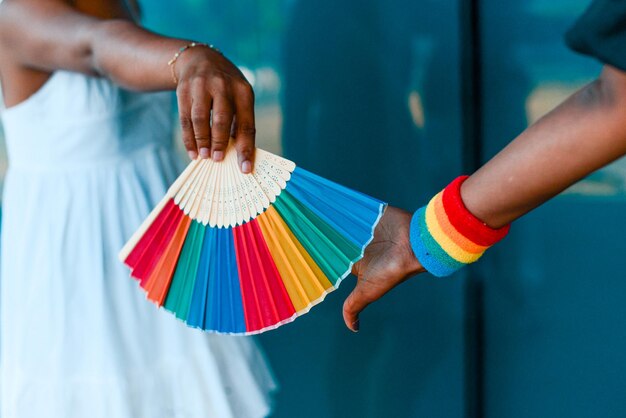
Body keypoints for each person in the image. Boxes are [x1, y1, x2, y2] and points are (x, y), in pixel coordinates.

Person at [0, 0, 275, 417]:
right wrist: (191, 58)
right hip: (79, 273)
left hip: (166, 256)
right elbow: (95, 46)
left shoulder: (125, 1)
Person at [343, 0, 626, 332]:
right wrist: (426, 238)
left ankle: (514, 297)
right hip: (455, 98)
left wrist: (425, 240)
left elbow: (614, 103)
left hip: (485, 94)